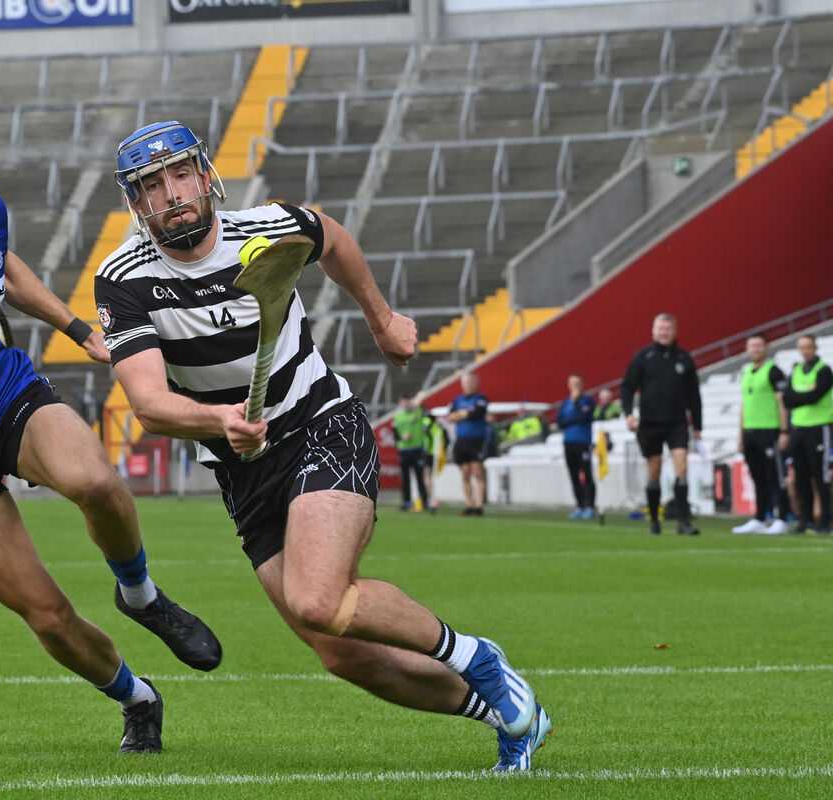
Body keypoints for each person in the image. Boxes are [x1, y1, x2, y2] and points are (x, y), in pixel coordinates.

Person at [95, 120, 549, 771]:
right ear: (136, 203)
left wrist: (381, 317)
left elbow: (331, 236)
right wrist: (219, 421)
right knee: (340, 650)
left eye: (179, 174)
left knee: (317, 597)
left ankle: (479, 659)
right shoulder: (124, 279)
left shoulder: (265, 230)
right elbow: (146, 402)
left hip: (320, 425)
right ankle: (507, 713)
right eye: (151, 186)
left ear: (203, 175)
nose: (171, 194)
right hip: (244, 469)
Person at [0, 104, 224, 754]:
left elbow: (4, 267)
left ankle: (139, 594)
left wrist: (76, 329)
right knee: (47, 615)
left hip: (5, 395)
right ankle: (137, 698)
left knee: (96, 482)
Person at [620, 313, 702, 536]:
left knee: (681, 465)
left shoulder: (684, 359)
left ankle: (683, 522)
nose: (664, 332)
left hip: (677, 422)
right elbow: (627, 387)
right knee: (654, 470)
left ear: (674, 331)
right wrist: (628, 414)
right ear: (654, 331)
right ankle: (655, 520)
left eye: (668, 329)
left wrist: (697, 424)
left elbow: (694, 394)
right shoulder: (643, 357)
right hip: (650, 423)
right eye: (660, 329)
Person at [732, 334, 791, 535]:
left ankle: (781, 517)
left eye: (759, 345)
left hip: (769, 430)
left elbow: (782, 403)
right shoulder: (747, 371)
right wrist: (740, 435)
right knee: (757, 477)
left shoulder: (773, 371)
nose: (755, 349)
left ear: (767, 347)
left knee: (776, 477)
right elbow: (744, 405)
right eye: (751, 346)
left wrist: (784, 431)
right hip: (750, 431)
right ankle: (759, 517)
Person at [781, 334, 832, 534]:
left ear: (815, 348)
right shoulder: (795, 371)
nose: (805, 351)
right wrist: (804, 396)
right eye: (801, 347)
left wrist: (798, 396)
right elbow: (787, 399)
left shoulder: (824, 370)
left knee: (820, 477)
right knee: (801, 477)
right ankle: (805, 520)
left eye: (808, 347)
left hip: (818, 428)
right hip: (798, 429)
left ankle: (826, 521)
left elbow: (816, 395)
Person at [446, 372, 489, 516]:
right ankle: (469, 504)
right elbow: (450, 417)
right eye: (466, 383)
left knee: (478, 472)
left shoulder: (481, 399)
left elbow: (475, 414)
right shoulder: (457, 400)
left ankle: (479, 506)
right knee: (465, 473)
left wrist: (461, 414)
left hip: (476, 440)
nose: (468, 385)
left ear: (475, 384)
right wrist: (463, 414)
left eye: (471, 383)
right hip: (461, 440)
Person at [557, 375, 596, 521]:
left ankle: (590, 506)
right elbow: (560, 421)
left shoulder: (588, 401)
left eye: (577, 383)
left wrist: (573, 412)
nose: (575, 387)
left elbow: (583, 417)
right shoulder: (565, 403)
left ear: (583, 384)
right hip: (569, 443)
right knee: (574, 476)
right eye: (572, 384)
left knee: (586, 474)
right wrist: (573, 412)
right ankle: (580, 506)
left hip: (583, 442)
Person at [392, 395, 428, 511]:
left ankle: (424, 501)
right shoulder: (397, 417)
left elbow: (425, 409)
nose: (406, 404)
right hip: (404, 450)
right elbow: (395, 435)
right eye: (404, 402)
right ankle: (406, 502)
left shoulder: (418, 412)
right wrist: (402, 437)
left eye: (408, 402)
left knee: (419, 477)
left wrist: (417, 404)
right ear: (400, 403)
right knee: (405, 478)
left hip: (417, 449)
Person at [421, 409, 443, 513]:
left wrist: (427, 449)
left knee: (427, 476)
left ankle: (431, 498)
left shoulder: (425, 421)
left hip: (429, 451)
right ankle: (432, 498)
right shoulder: (437, 425)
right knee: (432, 476)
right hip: (437, 452)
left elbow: (427, 435)